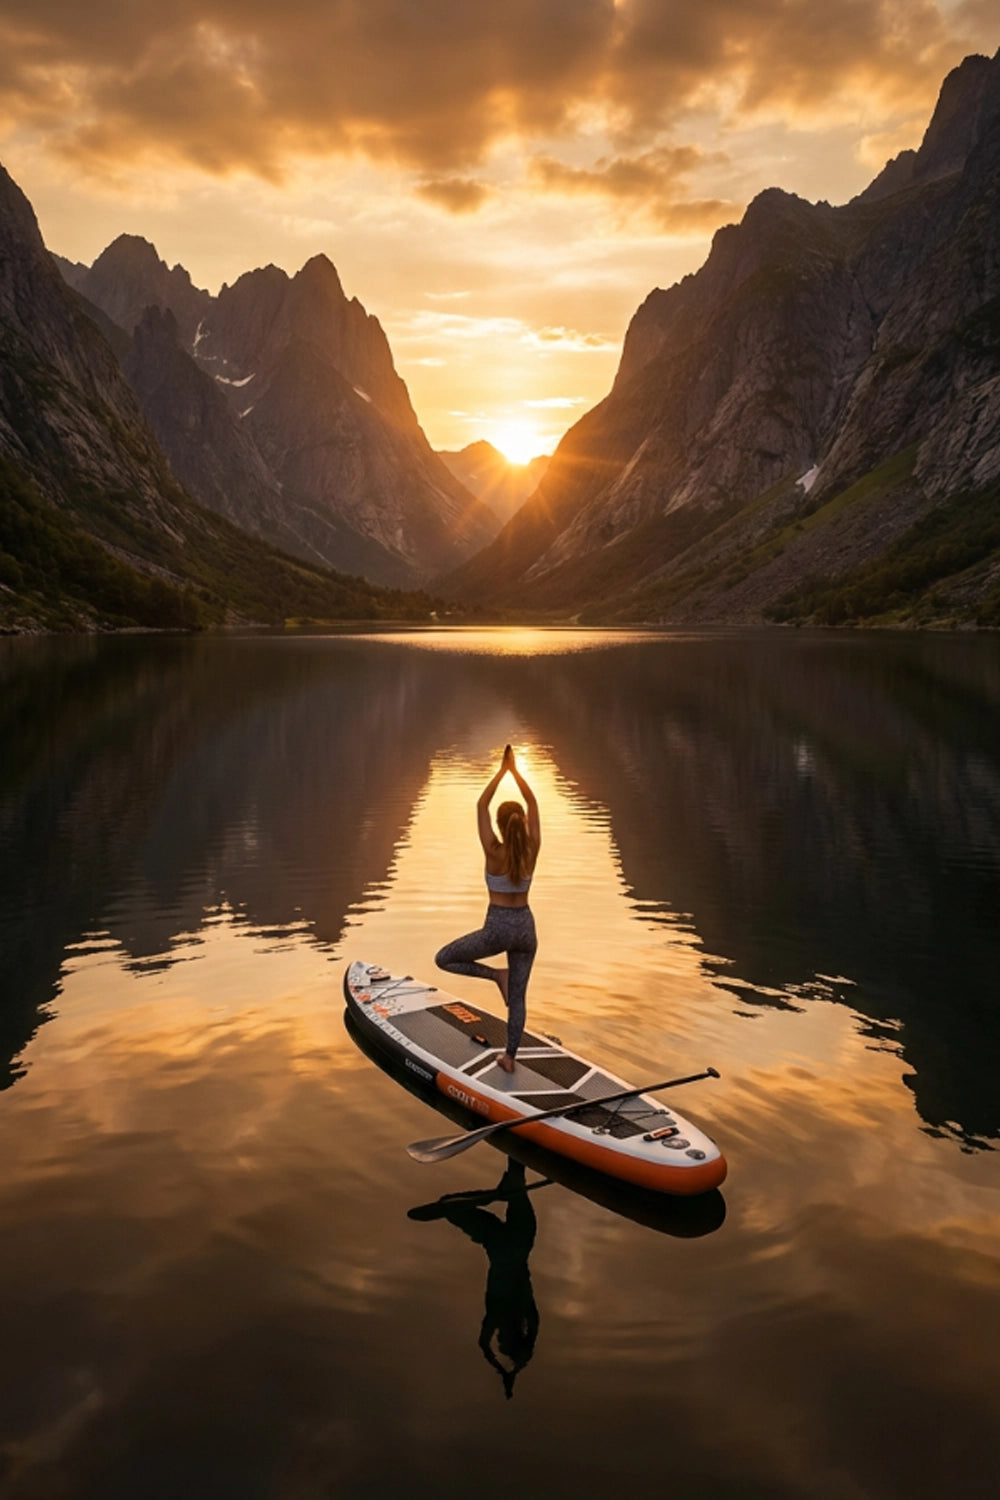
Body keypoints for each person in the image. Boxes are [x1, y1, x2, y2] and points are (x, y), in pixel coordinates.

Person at [435, 744, 540, 1073]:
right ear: (522, 822)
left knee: (445, 958)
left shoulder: (493, 849)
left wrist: (502, 770)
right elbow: (534, 803)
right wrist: (517, 772)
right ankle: (509, 1058)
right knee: (518, 999)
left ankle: (496, 975)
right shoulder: (532, 848)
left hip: (497, 928)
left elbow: (482, 804)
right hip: (525, 927)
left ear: (498, 823)